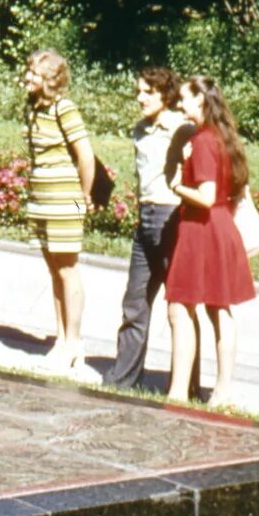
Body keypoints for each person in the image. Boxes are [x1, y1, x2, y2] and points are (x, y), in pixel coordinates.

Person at [164, 76, 259, 409]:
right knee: (220, 308)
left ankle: (177, 391)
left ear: (201, 101)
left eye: (185, 99)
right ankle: (222, 390)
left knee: (180, 306)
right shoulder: (222, 137)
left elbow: (204, 197)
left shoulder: (203, 140)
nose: (179, 104)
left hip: (200, 228)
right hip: (220, 226)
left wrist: (176, 185)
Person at [97, 65, 189, 390]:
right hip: (146, 216)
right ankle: (124, 378)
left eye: (147, 93)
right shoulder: (140, 129)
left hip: (173, 218)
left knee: (179, 306)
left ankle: (184, 385)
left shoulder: (182, 128)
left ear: (165, 94)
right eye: (138, 91)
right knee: (135, 301)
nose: (140, 98)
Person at [18, 49, 101, 378]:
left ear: (50, 80)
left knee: (67, 269)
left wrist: (84, 195)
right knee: (54, 270)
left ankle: (73, 341)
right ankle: (62, 339)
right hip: (41, 198)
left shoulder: (64, 108)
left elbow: (85, 154)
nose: (27, 79)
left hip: (64, 198)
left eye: (34, 74)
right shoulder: (34, 109)